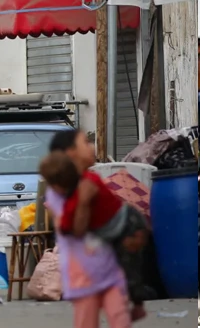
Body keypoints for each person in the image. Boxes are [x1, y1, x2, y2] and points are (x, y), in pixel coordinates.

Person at [47, 130, 147, 322]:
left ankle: (138, 302)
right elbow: (73, 231)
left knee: (120, 318)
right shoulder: (58, 193)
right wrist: (84, 202)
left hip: (109, 270)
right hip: (83, 276)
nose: (92, 146)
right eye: (86, 142)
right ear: (70, 153)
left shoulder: (90, 180)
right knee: (87, 321)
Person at [42, 152, 133, 328]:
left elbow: (72, 227)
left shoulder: (84, 187)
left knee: (117, 315)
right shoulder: (73, 195)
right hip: (86, 275)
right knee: (92, 317)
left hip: (105, 270)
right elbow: (70, 229)